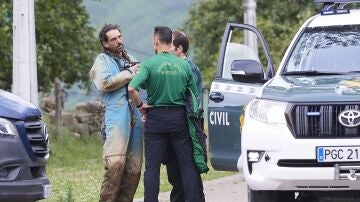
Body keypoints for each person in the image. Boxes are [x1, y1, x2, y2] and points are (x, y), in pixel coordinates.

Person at [128, 26, 204, 202]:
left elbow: (132, 87)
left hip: (156, 119)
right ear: (171, 42)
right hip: (179, 120)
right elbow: (193, 97)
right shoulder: (184, 65)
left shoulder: (148, 64)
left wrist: (141, 106)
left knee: (152, 168)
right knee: (187, 166)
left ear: (156, 41)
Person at [89, 24, 143, 202]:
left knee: (134, 170)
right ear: (105, 43)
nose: (119, 41)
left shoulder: (131, 59)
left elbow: (140, 84)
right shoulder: (102, 60)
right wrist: (130, 72)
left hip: (135, 117)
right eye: (114, 39)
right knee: (115, 165)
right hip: (115, 118)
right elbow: (104, 83)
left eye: (120, 37)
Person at [165, 30, 205, 202]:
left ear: (179, 48)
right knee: (176, 175)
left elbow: (192, 102)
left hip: (187, 126)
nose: (165, 48)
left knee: (189, 173)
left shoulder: (189, 68)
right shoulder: (172, 68)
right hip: (174, 126)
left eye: (170, 44)